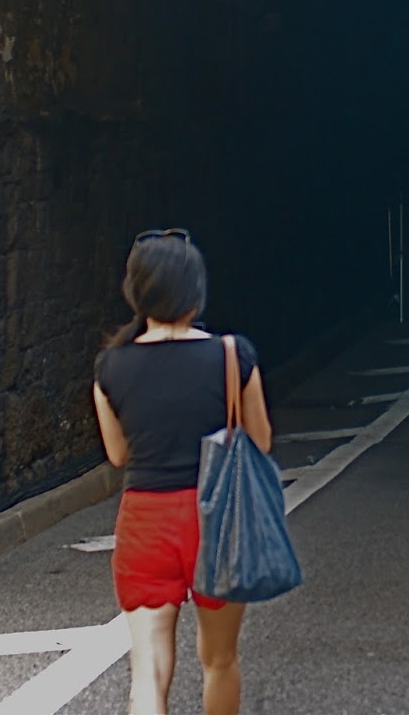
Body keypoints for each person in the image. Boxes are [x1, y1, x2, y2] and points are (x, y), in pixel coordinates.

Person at [92, 228, 273, 715]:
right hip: (216, 521)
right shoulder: (231, 355)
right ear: (196, 290)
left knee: (147, 671)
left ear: (137, 291)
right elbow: (261, 441)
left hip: (145, 521)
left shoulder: (111, 367)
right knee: (218, 660)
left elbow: (118, 455)